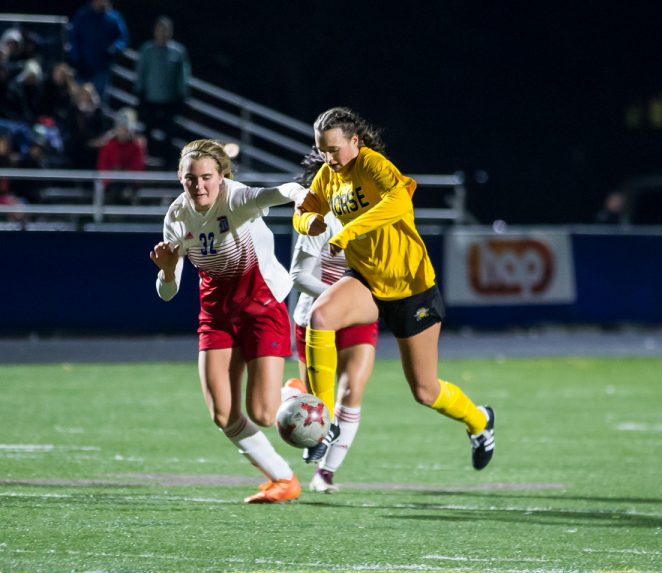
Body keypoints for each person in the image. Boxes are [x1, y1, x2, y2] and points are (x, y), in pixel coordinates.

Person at [293, 106, 495, 470]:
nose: (328, 157)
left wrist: (348, 230)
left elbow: (400, 201)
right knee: (320, 316)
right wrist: (310, 222)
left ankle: (480, 422)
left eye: (334, 149)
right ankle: (323, 424)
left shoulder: (371, 165)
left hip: (410, 287)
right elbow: (302, 211)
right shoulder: (327, 175)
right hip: (367, 280)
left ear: (354, 141)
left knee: (425, 390)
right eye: (322, 149)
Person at [149, 138, 308, 504]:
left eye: (206, 177)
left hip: (261, 309)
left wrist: (299, 194)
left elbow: (275, 193)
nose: (199, 186)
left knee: (265, 414)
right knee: (223, 414)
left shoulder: (236, 198)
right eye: (191, 179)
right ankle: (284, 480)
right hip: (217, 316)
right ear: (180, 178)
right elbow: (166, 293)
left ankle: (291, 393)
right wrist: (168, 272)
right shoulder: (176, 217)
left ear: (222, 177)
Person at [288, 151, 377, 493]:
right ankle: (290, 394)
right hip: (313, 318)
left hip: (356, 318)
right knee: (315, 407)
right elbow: (298, 274)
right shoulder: (320, 218)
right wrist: (337, 301)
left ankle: (325, 473)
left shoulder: (374, 211)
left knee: (352, 389)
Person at [134, 16, 191, 168]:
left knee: (170, 135)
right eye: (160, 29)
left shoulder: (178, 51)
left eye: (166, 30)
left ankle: (168, 164)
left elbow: (183, 75)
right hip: (149, 99)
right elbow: (141, 72)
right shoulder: (147, 50)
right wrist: (139, 93)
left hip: (170, 101)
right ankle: (143, 162)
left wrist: (182, 95)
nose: (163, 33)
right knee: (147, 132)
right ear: (155, 31)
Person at [69, 0, 129, 99]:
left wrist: (114, 48)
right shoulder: (82, 16)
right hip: (82, 67)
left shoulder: (114, 18)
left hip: (102, 67)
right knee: (78, 99)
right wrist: (77, 58)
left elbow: (123, 38)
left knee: (99, 100)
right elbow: (73, 38)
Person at [96, 107, 146, 203]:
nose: (124, 131)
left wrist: (125, 174)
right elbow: (102, 165)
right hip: (111, 184)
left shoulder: (136, 146)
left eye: (127, 128)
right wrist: (109, 180)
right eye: (121, 128)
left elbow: (138, 166)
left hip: (128, 183)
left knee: (126, 195)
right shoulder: (108, 144)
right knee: (112, 195)